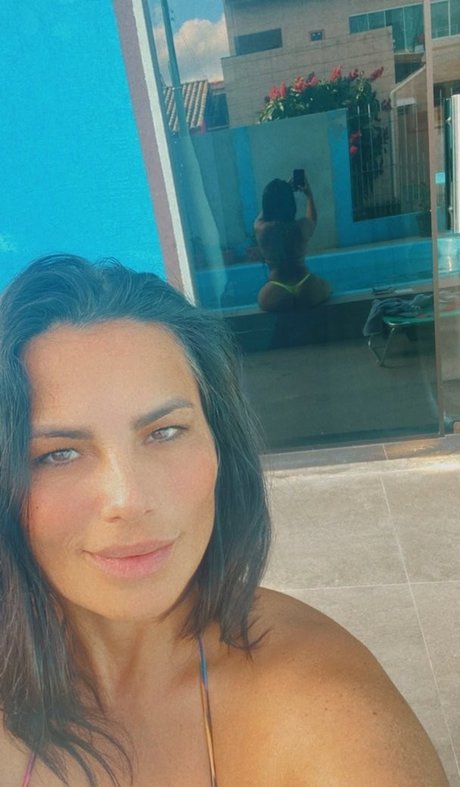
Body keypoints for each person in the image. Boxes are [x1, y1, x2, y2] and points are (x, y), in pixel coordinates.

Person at [0, 254, 448, 787]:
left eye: (165, 432)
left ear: (220, 443)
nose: (129, 500)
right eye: (58, 454)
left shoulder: (328, 706)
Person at [254, 177, 331, 312]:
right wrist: (309, 195)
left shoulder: (262, 229)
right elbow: (312, 218)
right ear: (291, 204)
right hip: (307, 284)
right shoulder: (301, 227)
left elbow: (263, 214)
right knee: (328, 287)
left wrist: (273, 198)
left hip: (275, 289)